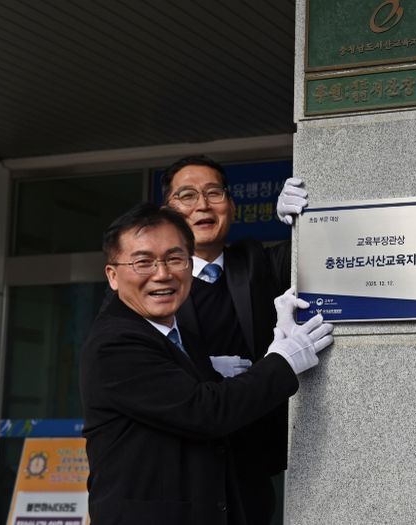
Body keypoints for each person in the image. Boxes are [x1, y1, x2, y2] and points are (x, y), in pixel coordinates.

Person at [80, 203, 332, 524]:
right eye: (143, 262)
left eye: (175, 258)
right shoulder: (115, 344)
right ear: (113, 276)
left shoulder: (180, 334)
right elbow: (206, 412)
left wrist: (276, 342)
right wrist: (282, 360)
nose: (163, 274)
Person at [161, 155, 307, 524]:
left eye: (214, 193)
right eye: (187, 195)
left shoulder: (255, 262)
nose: (203, 205)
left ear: (231, 204)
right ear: (167, 211)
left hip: (250, 462)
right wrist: (203, 371)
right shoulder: (152, 284)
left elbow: (317, 259)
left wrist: (303, 222)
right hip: (182, 465)